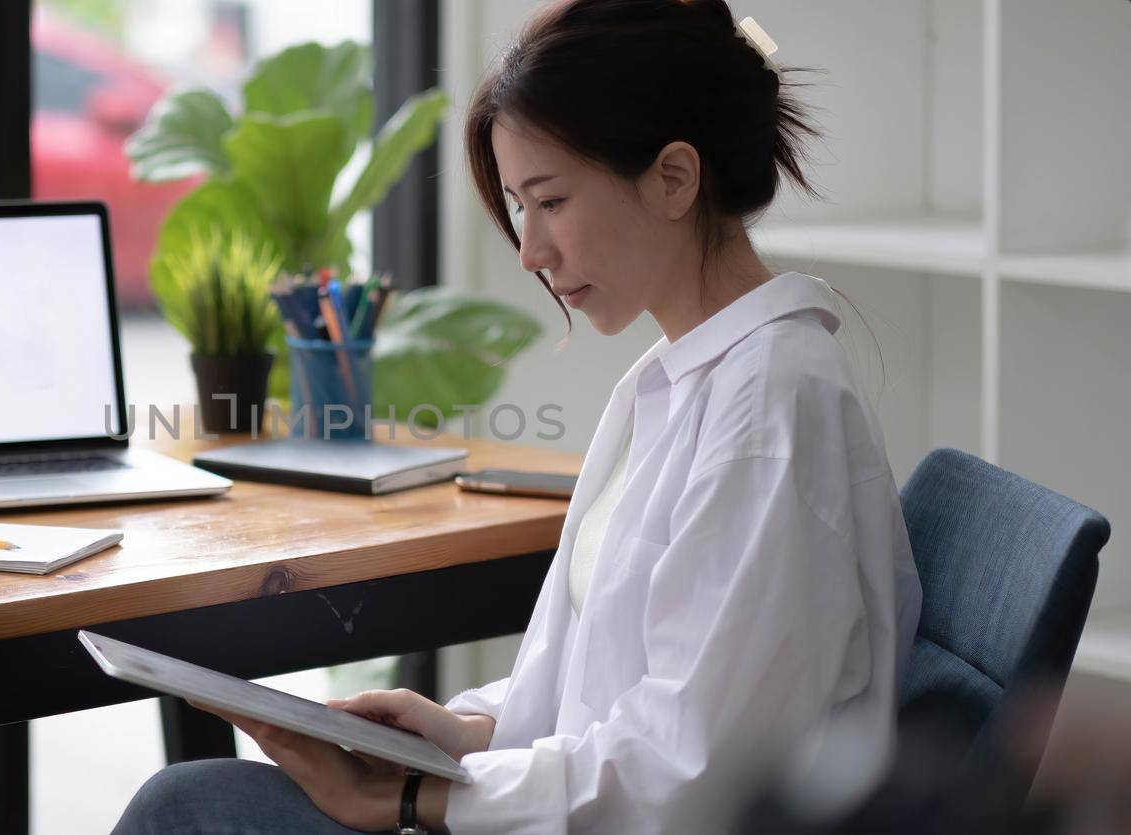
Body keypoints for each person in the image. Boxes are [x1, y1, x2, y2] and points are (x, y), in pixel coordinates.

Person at [114, 0, 922, 831]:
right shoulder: (681, 379)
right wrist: (471, 731)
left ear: (674, 178)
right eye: (518, 207)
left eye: (551, 200)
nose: (532, 252)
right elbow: (613, 689)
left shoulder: (770, 410)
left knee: (184, 806)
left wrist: (406, 795)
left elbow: (695, 772)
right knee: (190, 801)